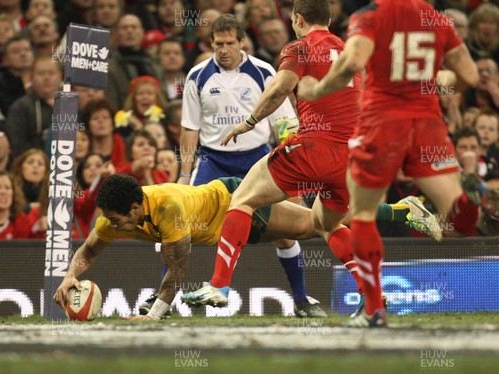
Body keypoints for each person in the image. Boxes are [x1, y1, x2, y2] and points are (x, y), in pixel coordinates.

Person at [180, 0, 444, 327]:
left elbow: (279, 89)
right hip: (353, 157)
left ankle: (218, 285)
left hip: (314, 147)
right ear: (330, 19)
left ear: (297, 19)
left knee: (243, 200)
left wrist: (248, 122)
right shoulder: (354, 50)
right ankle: (372, 297)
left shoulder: (300, 47)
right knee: (326, 224)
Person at [296, 0, 480, 327]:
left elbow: (352, 62)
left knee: (364, 214)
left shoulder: (369, 16)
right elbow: (469, 75)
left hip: (380, 124)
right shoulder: (436, 19)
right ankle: (473, 201)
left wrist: (317, 88)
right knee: (457, 218)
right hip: (427, 123)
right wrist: (430, 82)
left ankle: (373, 309)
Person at [53, 174, 327, 320]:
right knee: (301, 230)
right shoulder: (110, 221)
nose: (110, 226)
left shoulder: (167, 207)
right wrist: (70, 276)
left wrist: (155, 316)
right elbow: (88, 251)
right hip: (221, 231)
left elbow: (179, 267)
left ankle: (358, 213)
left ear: (135, 209)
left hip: (234, 203)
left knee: (314, 226)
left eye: (115, 220)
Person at [179, 14, 296, 187]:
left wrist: (292, 164)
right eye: (219, 43)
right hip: (212, 161)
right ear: (211, 42)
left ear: (242, 42)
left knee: (273, 210)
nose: (224, 50)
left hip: (256, 158)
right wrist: (184, 174)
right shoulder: (196, 76)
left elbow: (284, 121)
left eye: (230, 43)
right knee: (196, 210)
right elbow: (190, 127)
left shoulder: (263, 72)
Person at [6, 55, 61, 157]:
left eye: (51, 73)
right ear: (31, 78)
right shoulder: (20, 108)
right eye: (41, 73)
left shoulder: (72, 105)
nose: (46, 78)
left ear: (60, 76)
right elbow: (17, 146)